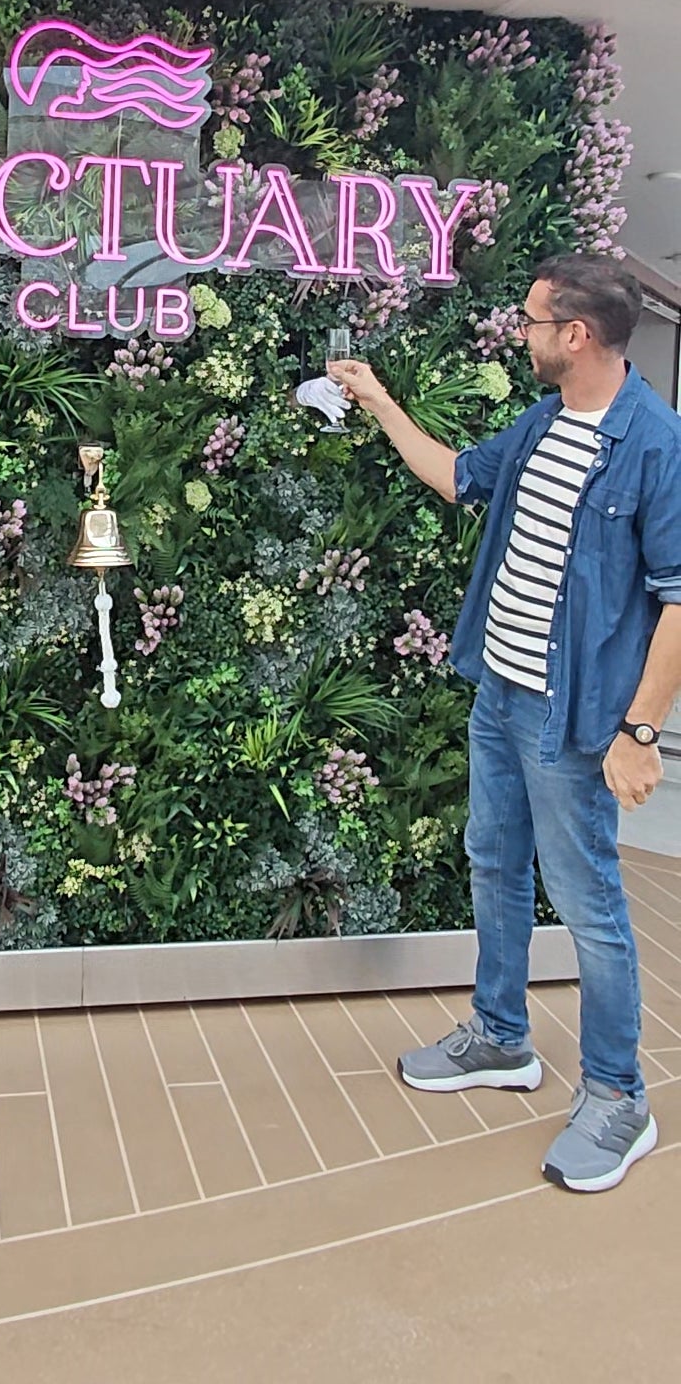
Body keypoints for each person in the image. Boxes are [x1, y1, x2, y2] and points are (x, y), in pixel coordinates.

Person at [329, 253, 681, 1194]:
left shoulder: (655, 442)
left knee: (591, 905)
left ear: (577, 336)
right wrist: (377, 400)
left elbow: (680, 599)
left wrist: (641, 733)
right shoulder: (545, 421)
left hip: (575, 721)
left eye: (531, 321)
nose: (517, 334)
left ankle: (618, 1096)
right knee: (494, 862)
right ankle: (501, 1036)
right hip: (502, 694)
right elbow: (456, 478)